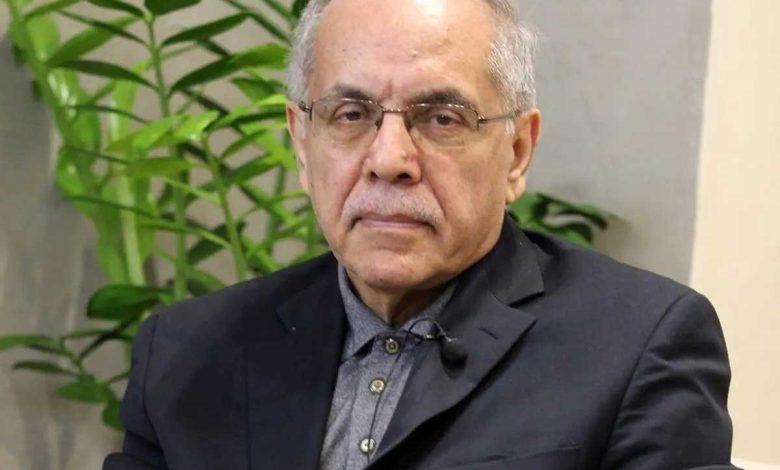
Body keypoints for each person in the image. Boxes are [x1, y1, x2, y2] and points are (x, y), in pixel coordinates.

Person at [104, 0, 737, 469]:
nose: (389, 159)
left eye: (441, 118)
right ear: (301, 143)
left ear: (516, 153)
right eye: (351, 114)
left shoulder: (638, 346)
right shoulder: (186, 354)